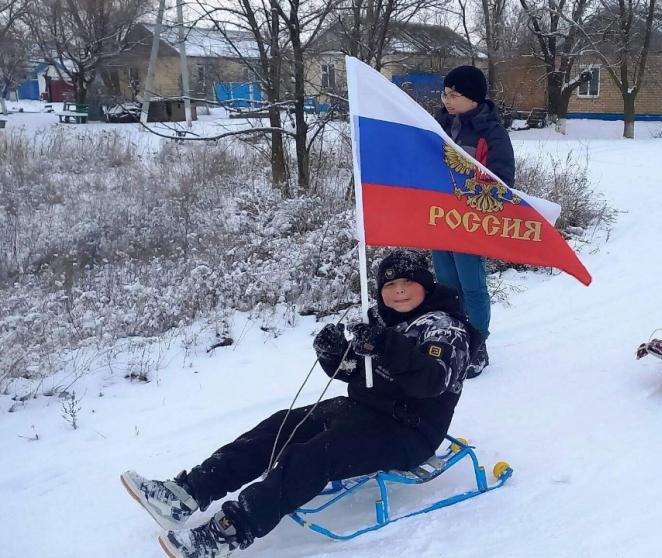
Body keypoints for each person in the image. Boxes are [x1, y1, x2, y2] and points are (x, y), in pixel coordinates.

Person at [121, 250, 479, 558]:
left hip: (409, 431)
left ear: (426, 285)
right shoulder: (380, 322)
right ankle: (188, 493)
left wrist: (385, 344)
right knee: (281, 426)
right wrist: (335, 354)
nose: (398, 290)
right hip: (365, 412)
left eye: (407, 282)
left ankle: (231, 530)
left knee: (317, 454)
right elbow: (359, 373)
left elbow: (432, 381)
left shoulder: (445, 327)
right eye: (389, 284)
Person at [433, 65, 515, 378]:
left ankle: (477, 345)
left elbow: (503, 179)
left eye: (454, 94)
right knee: (446, 284)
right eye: (445, 93)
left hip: (471, 221)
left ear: (474, 98)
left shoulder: (491, 132)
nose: (447, 99)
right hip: (438, 218)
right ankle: (454, 337)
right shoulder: (438, 125)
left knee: (472, 285)